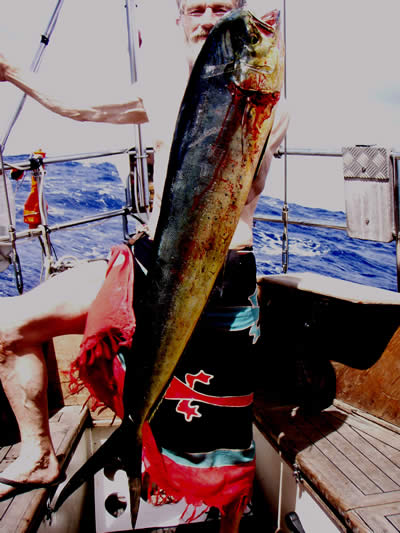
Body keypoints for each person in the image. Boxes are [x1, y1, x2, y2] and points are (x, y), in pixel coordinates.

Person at [0, 0, 289, 525]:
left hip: (217, 281)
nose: (206, 18)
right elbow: (78, 107)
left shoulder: (263, 101)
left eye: (221, 8)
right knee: (8, 328)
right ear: (177, 21)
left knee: (212, 453)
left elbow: (243, 176)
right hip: (149, 264)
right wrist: (13, 71)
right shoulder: (158, 92)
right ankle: (39, 455)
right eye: (195, 8)